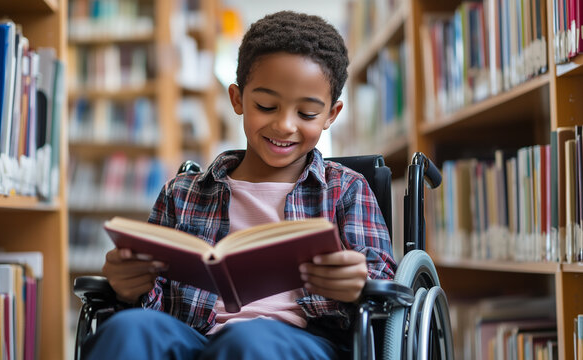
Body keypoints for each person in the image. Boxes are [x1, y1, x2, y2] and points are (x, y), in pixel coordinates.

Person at [83, 10, 396, 360]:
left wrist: (357, 283)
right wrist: (129, 288)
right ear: (237, 99)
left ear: (331, 116)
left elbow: (382, 279)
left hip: (299, 342)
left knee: (247, 342)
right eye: (265, 105)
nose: (284, 125)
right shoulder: (182, 193)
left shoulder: (346, 190)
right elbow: (152, 297)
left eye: (306, 114)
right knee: (127, 331)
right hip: (193, 336)